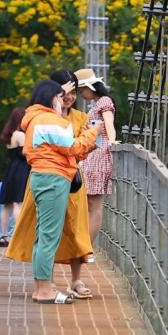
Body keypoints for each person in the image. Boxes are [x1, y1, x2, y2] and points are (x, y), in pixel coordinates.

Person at [6, 71, 97, 301]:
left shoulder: (34, 118)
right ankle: (45, 290)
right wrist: (94, 133)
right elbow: (74, 149)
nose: (63, 100)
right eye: (60, 96)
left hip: (43, 176)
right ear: (51, 98)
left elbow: (67, 152)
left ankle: (42, 288)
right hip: (54, 179)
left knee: (43, 236)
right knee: (49, 236)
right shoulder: (50, 121)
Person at [75, 67, 116, 255]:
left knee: (94, 205)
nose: (81, 94)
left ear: (91, 87)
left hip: (99, 155)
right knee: (89, 204)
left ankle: (87, 248)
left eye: (82, 89)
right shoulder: (97, 103)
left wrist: (112, 142)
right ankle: (85, 247)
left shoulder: (104, 102)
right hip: (93, 155)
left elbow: (109, 125)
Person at [0, 107, 29, 246]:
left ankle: (3, 235)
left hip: (10, 170)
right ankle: (17, 234)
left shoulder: (9, 135)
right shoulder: (21, 135)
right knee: (19, 202)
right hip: (22, 169)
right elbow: (28, 153)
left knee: (7, 203)